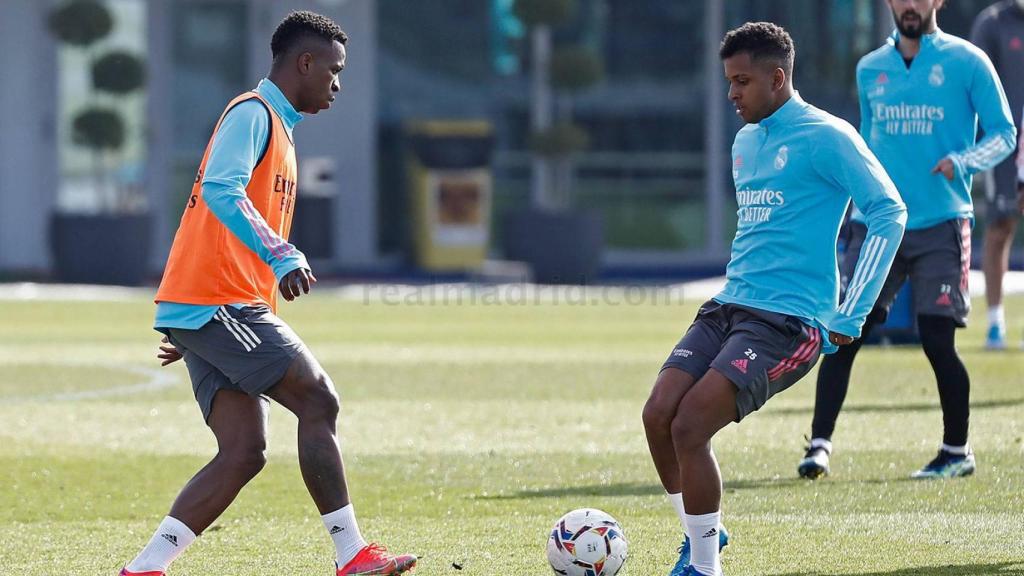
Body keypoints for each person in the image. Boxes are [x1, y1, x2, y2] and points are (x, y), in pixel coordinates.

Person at [120, 11, 416, 576]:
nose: (337, 84)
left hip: (209, 310)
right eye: (333, 70)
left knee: (243, 453)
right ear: (304, 62)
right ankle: (352, 554)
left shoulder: (278, 130)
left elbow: (217, 224)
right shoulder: (252, 114)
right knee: (319, 400)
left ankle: (144, 569)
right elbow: (220, 189)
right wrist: (281, 254)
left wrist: (199, 331)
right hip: (219, 303)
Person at [642, 22, 906, 576]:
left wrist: (851, 310)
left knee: (691, 425)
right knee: (658, 415)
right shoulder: (746, 140)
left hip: (789, 321)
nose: (732, 94)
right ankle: (700, 534)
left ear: (777, 78)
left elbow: (888, 211)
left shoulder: (828, 136)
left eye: (741, 82)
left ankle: (705, 567)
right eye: (728, 82)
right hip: (728, 306)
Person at [799, 0, 1016, 481]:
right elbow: (866, 145)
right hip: (878, 223)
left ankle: (956, 452)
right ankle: (818, 446)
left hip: (942, 222)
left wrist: (964, 161)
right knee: (845, 333)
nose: (910, 5)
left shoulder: (968, 60)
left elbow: (1004, 134)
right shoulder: (870, 68)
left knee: (938, 339)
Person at [971, 0, 1024, 349]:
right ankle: (995, 324)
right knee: (1000, 226)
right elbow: (973, 87)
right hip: (1004, 144)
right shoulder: (992, 23)